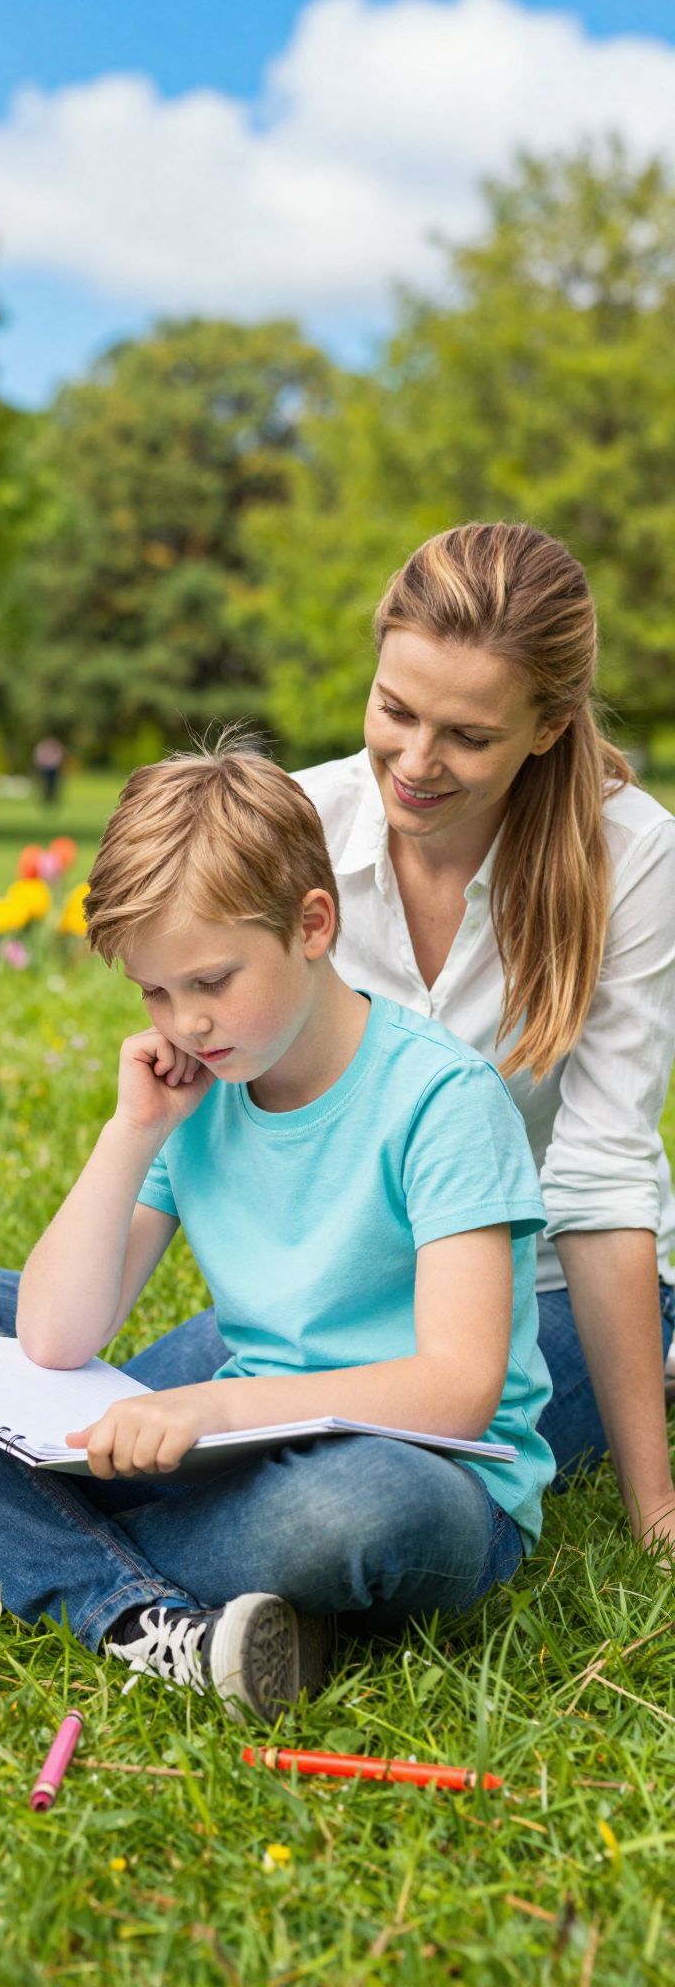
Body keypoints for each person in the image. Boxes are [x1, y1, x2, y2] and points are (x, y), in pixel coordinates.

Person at [0, 739, 554, 1719]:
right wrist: (132, 1133)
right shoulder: (203, 1084)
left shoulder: (442, 1100)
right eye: (156, 993)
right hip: (238, 1438)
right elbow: (55, 1336)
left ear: (313, 923)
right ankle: (145, 1614)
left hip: (425, 1472)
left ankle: (0, 1551)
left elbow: (460, 1392)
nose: (189, 1023)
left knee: (346, 1513)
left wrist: (212, 1413)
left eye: (212, 980)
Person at [290, 522, 675, 1555]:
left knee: (354, 1492)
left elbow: (600, 1181)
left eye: (467, 735)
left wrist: (657, 1509)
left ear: (549, 727)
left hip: (535, 1295)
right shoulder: (299, 826)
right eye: (394, 710)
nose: (415, 762)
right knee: (167, 1425)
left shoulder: (629, 857)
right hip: (343, 1289)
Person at [32, 735, 66, 805]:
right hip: (44, 768)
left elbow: (59, 755)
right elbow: (37, 756)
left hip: (54, 768)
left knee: (54, 784)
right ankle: (45, 798)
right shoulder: (42, 746)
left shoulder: (55, 746)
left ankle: (53, 798)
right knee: (44, 784)